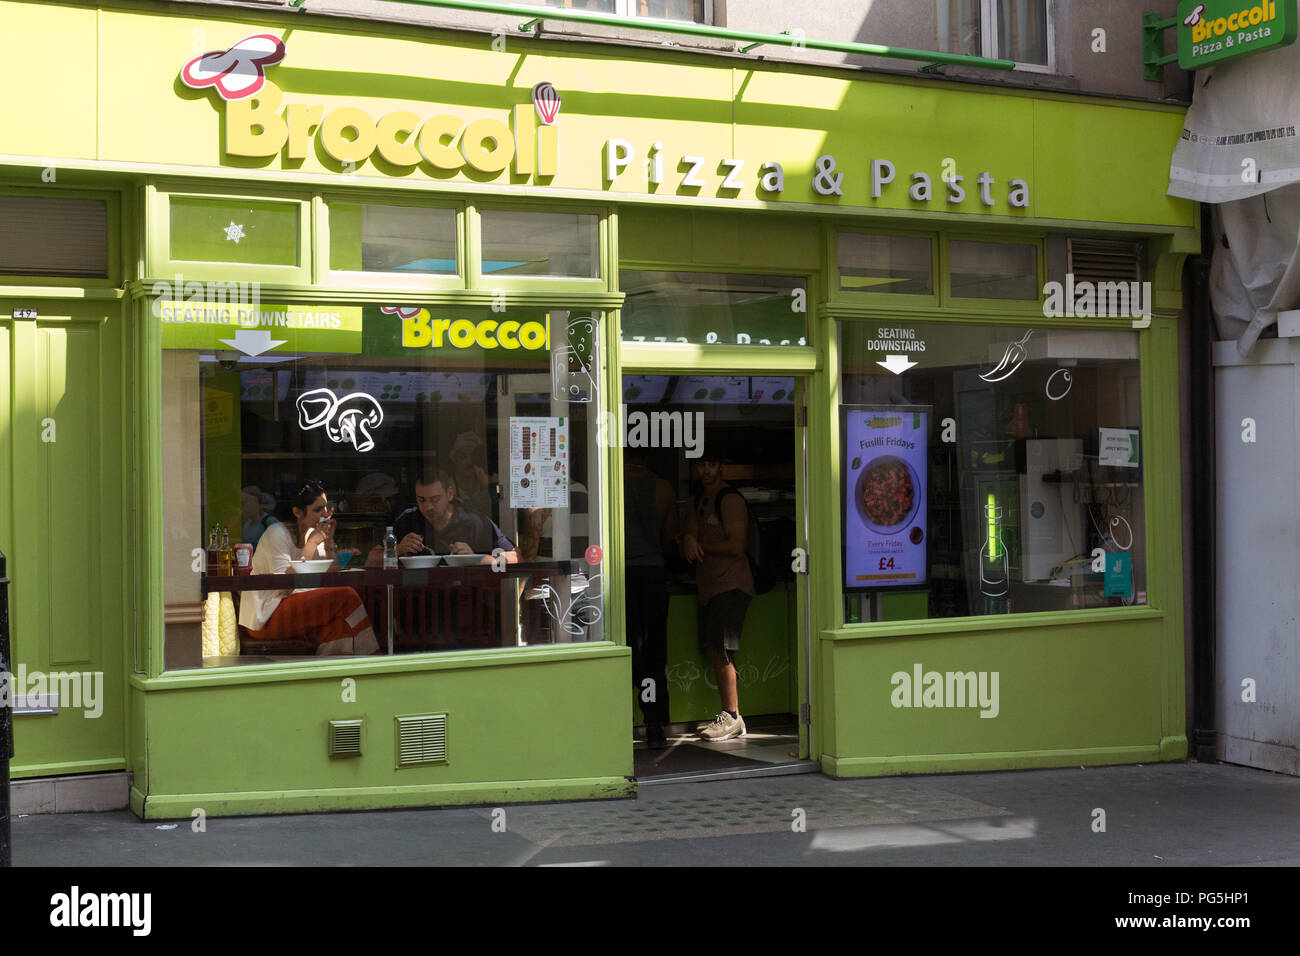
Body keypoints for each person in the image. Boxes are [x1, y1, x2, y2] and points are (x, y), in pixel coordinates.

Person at [238, 480, 379, 656]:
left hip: (301, 607)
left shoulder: (314, 534)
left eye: (326, 507)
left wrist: (328, 541)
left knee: (338, 627)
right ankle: (373, 658)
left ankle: (332, 678)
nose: (325, 514)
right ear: (297, 512)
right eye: (318, 509)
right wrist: (311, 543)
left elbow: (331, 573)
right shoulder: (277, 533)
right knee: (347, 596)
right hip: (267, 616)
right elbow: (284, 586)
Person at [681, 456, 754, 742]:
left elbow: (736, 545)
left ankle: (732, 716)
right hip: (709, 585)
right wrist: (688, 538)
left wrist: (699, 545)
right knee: (715, 648)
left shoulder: (730, 499)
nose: (706, 470)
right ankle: (732, 716)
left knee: (720, 649)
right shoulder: (698, 500)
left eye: (711, 464)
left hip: (731, 584)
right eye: (701, 465)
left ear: (722, 467)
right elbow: (690, 532)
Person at [623, 448, 678, 749]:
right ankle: (654, 723)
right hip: (653, 573)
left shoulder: (611, 483)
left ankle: (617, 718)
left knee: (626, 647)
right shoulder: (663, 488)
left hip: (620, 574)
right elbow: (670, 535)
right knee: (654, 651)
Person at [366, 466, 518, 566]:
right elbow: (371, 560)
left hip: (464, 601)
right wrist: (397, 550)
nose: (428, 507)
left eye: (435, 499)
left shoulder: (474, 521)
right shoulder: (408, 519)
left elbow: (516, 558)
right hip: (416, 601)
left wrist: (477, 558)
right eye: (422, 500)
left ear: (450, 494)